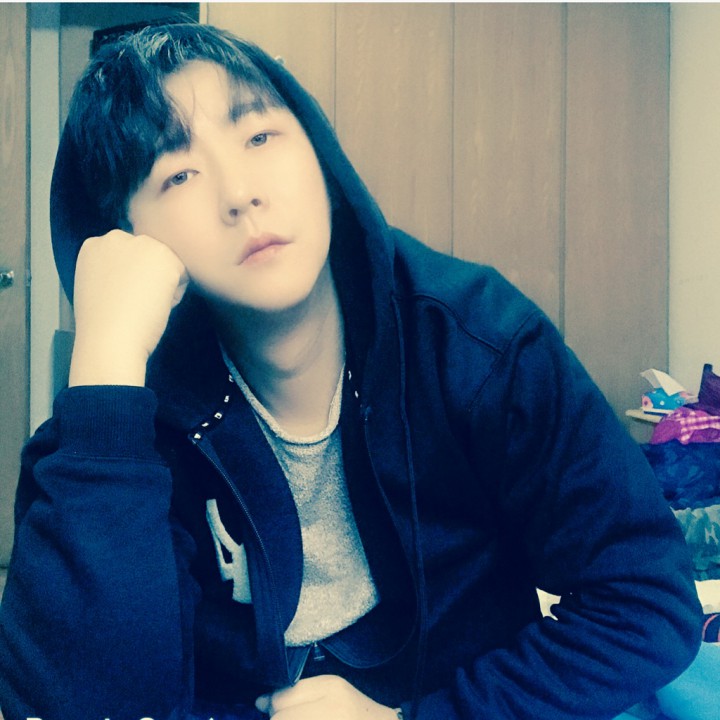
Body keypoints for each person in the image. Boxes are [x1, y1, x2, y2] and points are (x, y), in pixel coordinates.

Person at [0, 20, 703, 720]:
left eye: (259, 136)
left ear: (318, 153)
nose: (239, 192)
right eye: (177, 174)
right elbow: (83, 704)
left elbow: (644, 601)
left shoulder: (475, 341)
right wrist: (105, 370)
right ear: (125, 238)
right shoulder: (116, 427)